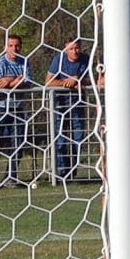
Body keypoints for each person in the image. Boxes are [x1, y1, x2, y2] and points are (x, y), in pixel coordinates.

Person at [45, 37, 92, 179]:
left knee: (78, 137)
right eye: (71, 49)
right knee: (60, 138)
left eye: (77, 48)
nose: (74, 51)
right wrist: (66, 83)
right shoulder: (58, 60)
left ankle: (73, 171)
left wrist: (79, 80)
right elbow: (48, 82)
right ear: (66, 49)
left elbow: (94, 79)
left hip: (78, 104)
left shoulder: (85, 59)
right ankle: (62, 173)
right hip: (60, 104)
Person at [0, 34, 32, 189]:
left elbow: (27, 82)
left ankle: (10, 177)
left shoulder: (24, 61)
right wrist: (14, 81)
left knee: (18, 143)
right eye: (11, 45)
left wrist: (9, 80)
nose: (14, 49)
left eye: (17, 46)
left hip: (17, 108)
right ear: (5, 47)